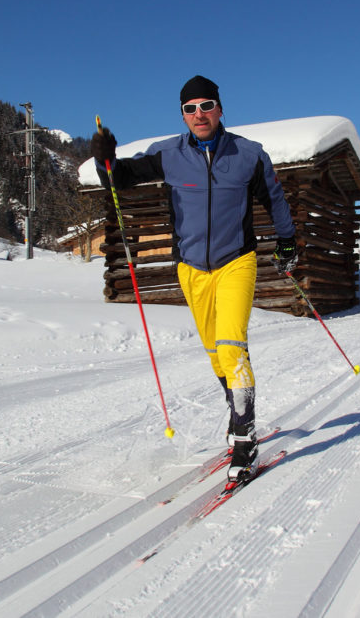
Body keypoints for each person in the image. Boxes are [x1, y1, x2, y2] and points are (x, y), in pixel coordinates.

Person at [91, 75, 297, 482]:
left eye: (206, 105)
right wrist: (104, 157)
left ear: (220, 109)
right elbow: (118, 178)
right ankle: (236, 408)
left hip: (236, 261)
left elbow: (273, 198)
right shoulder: (169, 155)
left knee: (232, 344)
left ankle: (244, 438)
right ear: (182, 115)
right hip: (191, 268)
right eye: (190, 108)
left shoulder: (249, 154)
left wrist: (287, 240)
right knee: (215, 352)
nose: (199, 114)